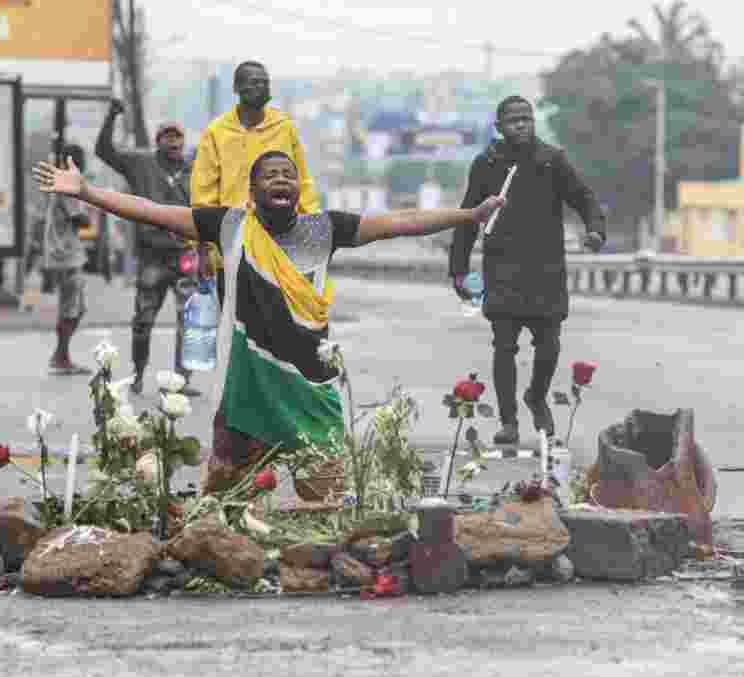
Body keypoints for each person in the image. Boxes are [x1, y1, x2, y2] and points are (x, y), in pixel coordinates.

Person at [34, 150, 504, 493]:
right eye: (269, 174)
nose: (281, 179)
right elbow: (153, 211)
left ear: (298, 189)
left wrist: (469, 215)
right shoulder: (229, 224)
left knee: (325, 494)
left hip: (312, 383)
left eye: (289, 174)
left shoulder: (326, 229)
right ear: (253, 190)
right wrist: (88, 192)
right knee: (225, 496)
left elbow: (403, 219)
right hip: (247, 383)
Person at [448, 95, 606, 446]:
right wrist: (458, 270)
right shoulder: (487, 164)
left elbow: (584, 197)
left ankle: (536, 396)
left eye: (526, 119)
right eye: (513, 120)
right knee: (504, 346)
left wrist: (595, 230)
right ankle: (508, 422)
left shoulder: (552, 161)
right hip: (502, 266)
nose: (521, 124)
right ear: (499, 127)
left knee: (549, 345)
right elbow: (468, 218)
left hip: (546, 268)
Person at [191, 60, 320, 304]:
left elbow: (302, 181)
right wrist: (203, 247)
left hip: (280, 243)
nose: (262, 86)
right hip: (230, 244)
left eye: (265, 82)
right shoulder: (216, 132)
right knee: (233, 324)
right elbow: (204, 193)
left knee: (279, 322)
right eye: (254, 82)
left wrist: (313, 229)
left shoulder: (284, 127)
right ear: (237, 88)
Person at [95, 100, 199, 396]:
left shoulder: (196, 169)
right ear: (157, 142)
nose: (173, 141)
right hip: (152, 256)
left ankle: (182, 380)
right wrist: (111, 116)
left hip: (185, 256)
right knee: (143, 321)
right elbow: (105, 151)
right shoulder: (141, 164)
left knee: (189, 321)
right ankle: (138, 373)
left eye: (177, 136)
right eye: (167, 136)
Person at [34, 143, 93, 374]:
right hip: (65, 255)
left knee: (76, 308)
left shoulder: (61, 184)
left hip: (64, 253)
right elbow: (80, 218)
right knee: (71, 308)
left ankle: (61, 355)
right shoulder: (68, 185)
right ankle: (61, 357)